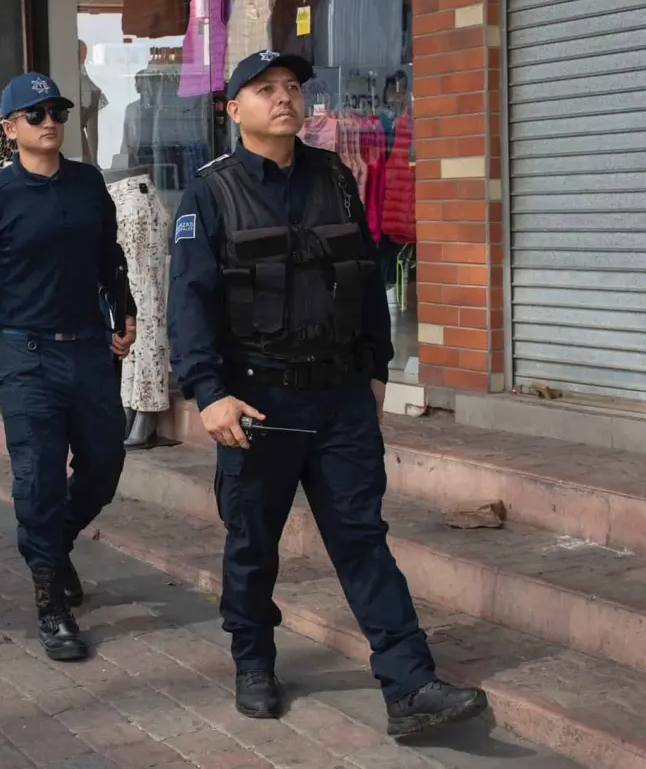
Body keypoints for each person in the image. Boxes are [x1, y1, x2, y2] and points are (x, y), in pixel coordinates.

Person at [166, 50, 489, 734]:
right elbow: (189, 302)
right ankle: (253, 662)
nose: (284, 98)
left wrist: (377, 369)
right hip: (257, 404)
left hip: (340, 397)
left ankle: (410, 685)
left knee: (362, 539)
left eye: (291, 87)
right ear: (234, 109)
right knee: (253, 544)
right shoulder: (210, 193)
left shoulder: (336, 178)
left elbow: (367, 280)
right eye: (265, 90)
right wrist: (208, 393)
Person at [0, 72, 137, 662]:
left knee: (105, 465)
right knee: (38, 481)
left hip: (88, 348)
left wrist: (123, 308)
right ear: (9, 129)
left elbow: (109, 254)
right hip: (26, 354)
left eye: (55, 110)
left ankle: (53, 545)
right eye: (34, 114)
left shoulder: (86, 184)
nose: (49, 121)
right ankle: (51, 600)